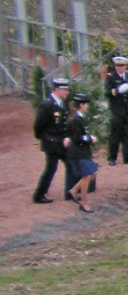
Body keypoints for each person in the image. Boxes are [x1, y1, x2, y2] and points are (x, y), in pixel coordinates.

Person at [32, 75, 72, 205]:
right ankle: (39, 195)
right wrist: (44, 138)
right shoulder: (47, 105)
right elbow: (38, 125)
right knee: (51, 168)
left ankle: (70, 191)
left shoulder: (63, 103)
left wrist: (66, 136)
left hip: (61, 141)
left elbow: (64, 123)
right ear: (57, 90)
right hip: (51, 142)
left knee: (70, 164)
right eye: (64, 90)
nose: (67, 92)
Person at [65, 93, 98, 213]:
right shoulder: (75, 120)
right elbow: (77, 137)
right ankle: (84, 203)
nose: (87, 106)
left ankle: (74, 190)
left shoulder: (79, 117)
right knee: (87, 176)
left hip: (83, 150)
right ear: (81, 105)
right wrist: (90, 139)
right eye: (86, 104)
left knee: (92, 173)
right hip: (79, 151)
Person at [104, 56, 128, 165]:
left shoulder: (127, 76)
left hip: (126, 111)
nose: (120, 68)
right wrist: (117, 91)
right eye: (118, 66)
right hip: (116, 111)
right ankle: (112, 158)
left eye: (122, 66)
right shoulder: (111, 77)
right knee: (115, 136)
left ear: (125, 66)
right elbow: (106, 93)